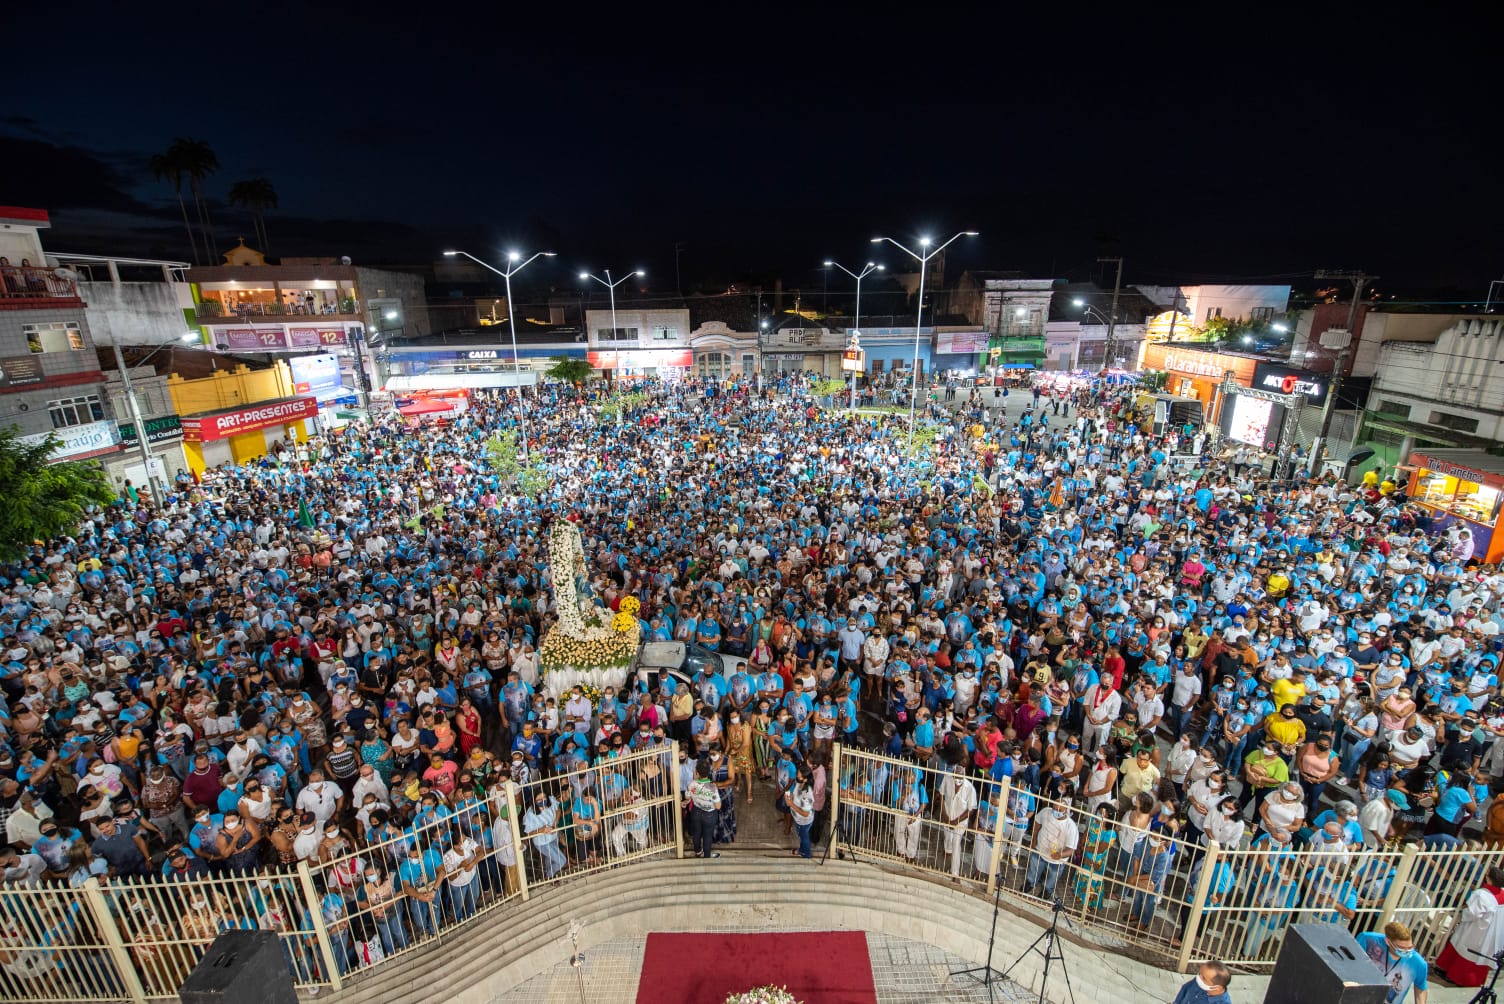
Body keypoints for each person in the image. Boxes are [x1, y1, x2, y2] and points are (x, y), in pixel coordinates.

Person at [1435, 865, 1504, 986]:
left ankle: (1455, 977)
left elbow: (1472, 913)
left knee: (1465, 952)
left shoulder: (1482, 895)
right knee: (1478, 958)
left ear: (1489, 879)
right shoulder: (1502, 893)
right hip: (1492, 934)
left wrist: (1464, 910)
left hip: (1475, 931)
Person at [1355, 921, 1429, 1004]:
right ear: (1387, 941)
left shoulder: (1419, 963)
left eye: (1409, 947)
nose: (1406, 951)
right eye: (1401, 948)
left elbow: (1420, 988)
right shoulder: (1367, 939)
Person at [684, 760, 721, 859]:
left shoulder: (692, 784)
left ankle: (698, 852)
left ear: (697, 772)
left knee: (696, 834)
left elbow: (687, 797)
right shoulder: (712, 787)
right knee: (707, 836)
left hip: (696, 812)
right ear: (709, 772)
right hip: (709, 815)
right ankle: (707, 857)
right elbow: (718, 806)